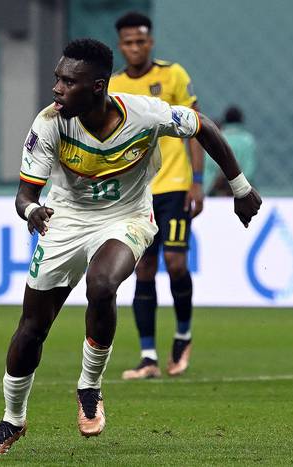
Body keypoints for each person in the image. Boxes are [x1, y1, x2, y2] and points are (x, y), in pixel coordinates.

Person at [0, 38, 261, 455]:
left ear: (96, 87)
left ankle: (89, 386)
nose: (56, 88)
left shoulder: (145, 114)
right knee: (32, 327)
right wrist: (31, 210)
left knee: (103, 284)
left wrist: (240, 186)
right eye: (56, 78)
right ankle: (12, 420)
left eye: (68, 81)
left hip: (125, 217)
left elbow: (203, 127)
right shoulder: (49, 122)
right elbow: (24, 194)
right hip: (64, 219)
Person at [109, 12, 204, 379]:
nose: (135, 47)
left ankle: (183, 335)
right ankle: (148, 357)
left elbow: (195, 127)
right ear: (122, 46)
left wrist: (197, 180)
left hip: (176, 186)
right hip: (136, 195)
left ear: (150, 43)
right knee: (143, 268)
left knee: (177, 263)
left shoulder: (173, 75)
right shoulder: (114, 84)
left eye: (141, 41)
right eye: (129, 42)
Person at [205, 106, 257, 196]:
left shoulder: (218, 137)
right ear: (241, 120)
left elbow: (209, 166)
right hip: (243, 187)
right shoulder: (248, 140)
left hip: (219, 188)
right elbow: (249, 170)